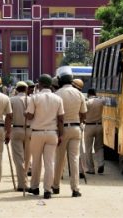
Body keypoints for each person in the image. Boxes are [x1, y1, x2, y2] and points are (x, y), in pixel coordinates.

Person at [25, 74, 64, 199]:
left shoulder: (35, 98)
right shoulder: (57, 98)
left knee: (36, 161)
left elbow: (30, 116)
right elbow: (61, 119)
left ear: (40, 84)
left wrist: (26, 113)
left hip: (37, 132)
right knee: (50, 162)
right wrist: (61, 134)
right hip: (52, 132)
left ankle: (35, 187)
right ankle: (47, 189)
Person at [52, 69, 87, 198]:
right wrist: (79, 121)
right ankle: (75, 189)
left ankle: (55, 186)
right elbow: (84, 113)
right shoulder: (79, 94)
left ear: (60, 81)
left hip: (61, 129)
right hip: (76, 128)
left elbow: (55, 114)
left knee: (59, 159)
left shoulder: (57, 94)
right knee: (74, 158)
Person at [10, 81, 31, 191]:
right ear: (26, 89)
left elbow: (8, 117)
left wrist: (7, 132)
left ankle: (22, 183)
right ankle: (25, 181)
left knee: (19, 158)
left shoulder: (12, 100)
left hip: (17, 129)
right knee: (27, 158)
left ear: (17, 89)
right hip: (29, 130)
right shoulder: (32, 99)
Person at [84, 88, 105, 174]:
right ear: (95, 93)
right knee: (99, 147)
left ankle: (91, 169)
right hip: (99, 126)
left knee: (88, 149)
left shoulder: (87, 102)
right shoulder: (101, 101)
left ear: (88, 94)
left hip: (89, 126)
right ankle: (101, 164)